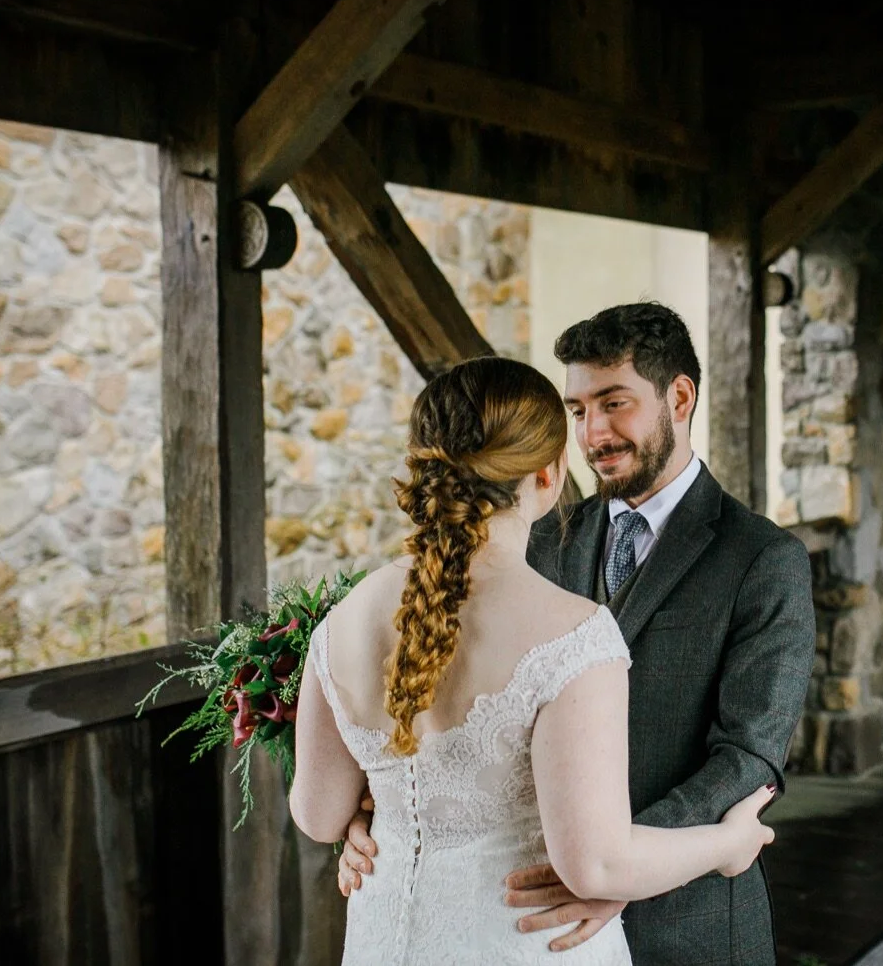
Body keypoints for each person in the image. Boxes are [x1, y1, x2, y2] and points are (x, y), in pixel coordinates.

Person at [337, 303, 817, 965]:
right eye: (578, 409)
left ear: (679, 396)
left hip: (690, 921)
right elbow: (445, 702)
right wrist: (375, 810)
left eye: (614, 403)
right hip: (534, 927)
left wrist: (615, 864)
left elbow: (749, 755)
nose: (593, 432)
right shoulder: (534, 539)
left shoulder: (763, 558)